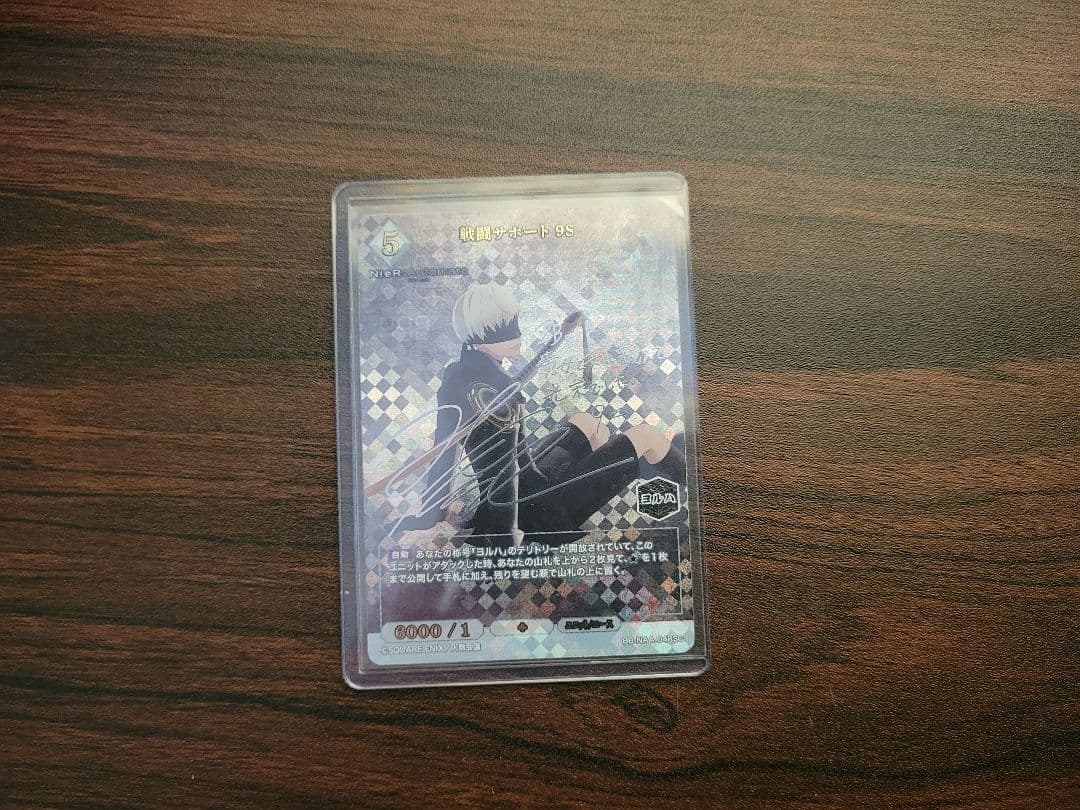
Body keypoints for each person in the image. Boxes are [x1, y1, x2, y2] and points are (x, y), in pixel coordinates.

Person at [403, 283, 686, 547]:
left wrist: (562, 333)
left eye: (514, 326)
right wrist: (501, 532)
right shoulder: (479, 385)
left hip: (530, 480)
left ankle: (632, 466)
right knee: (646, 435)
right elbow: (446, 450)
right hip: (536, 511)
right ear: (478, 337)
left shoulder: (468, 372)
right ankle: (688, 476)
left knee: (587, 423)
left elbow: (520, 378)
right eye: (502, 331)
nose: (516, 337)